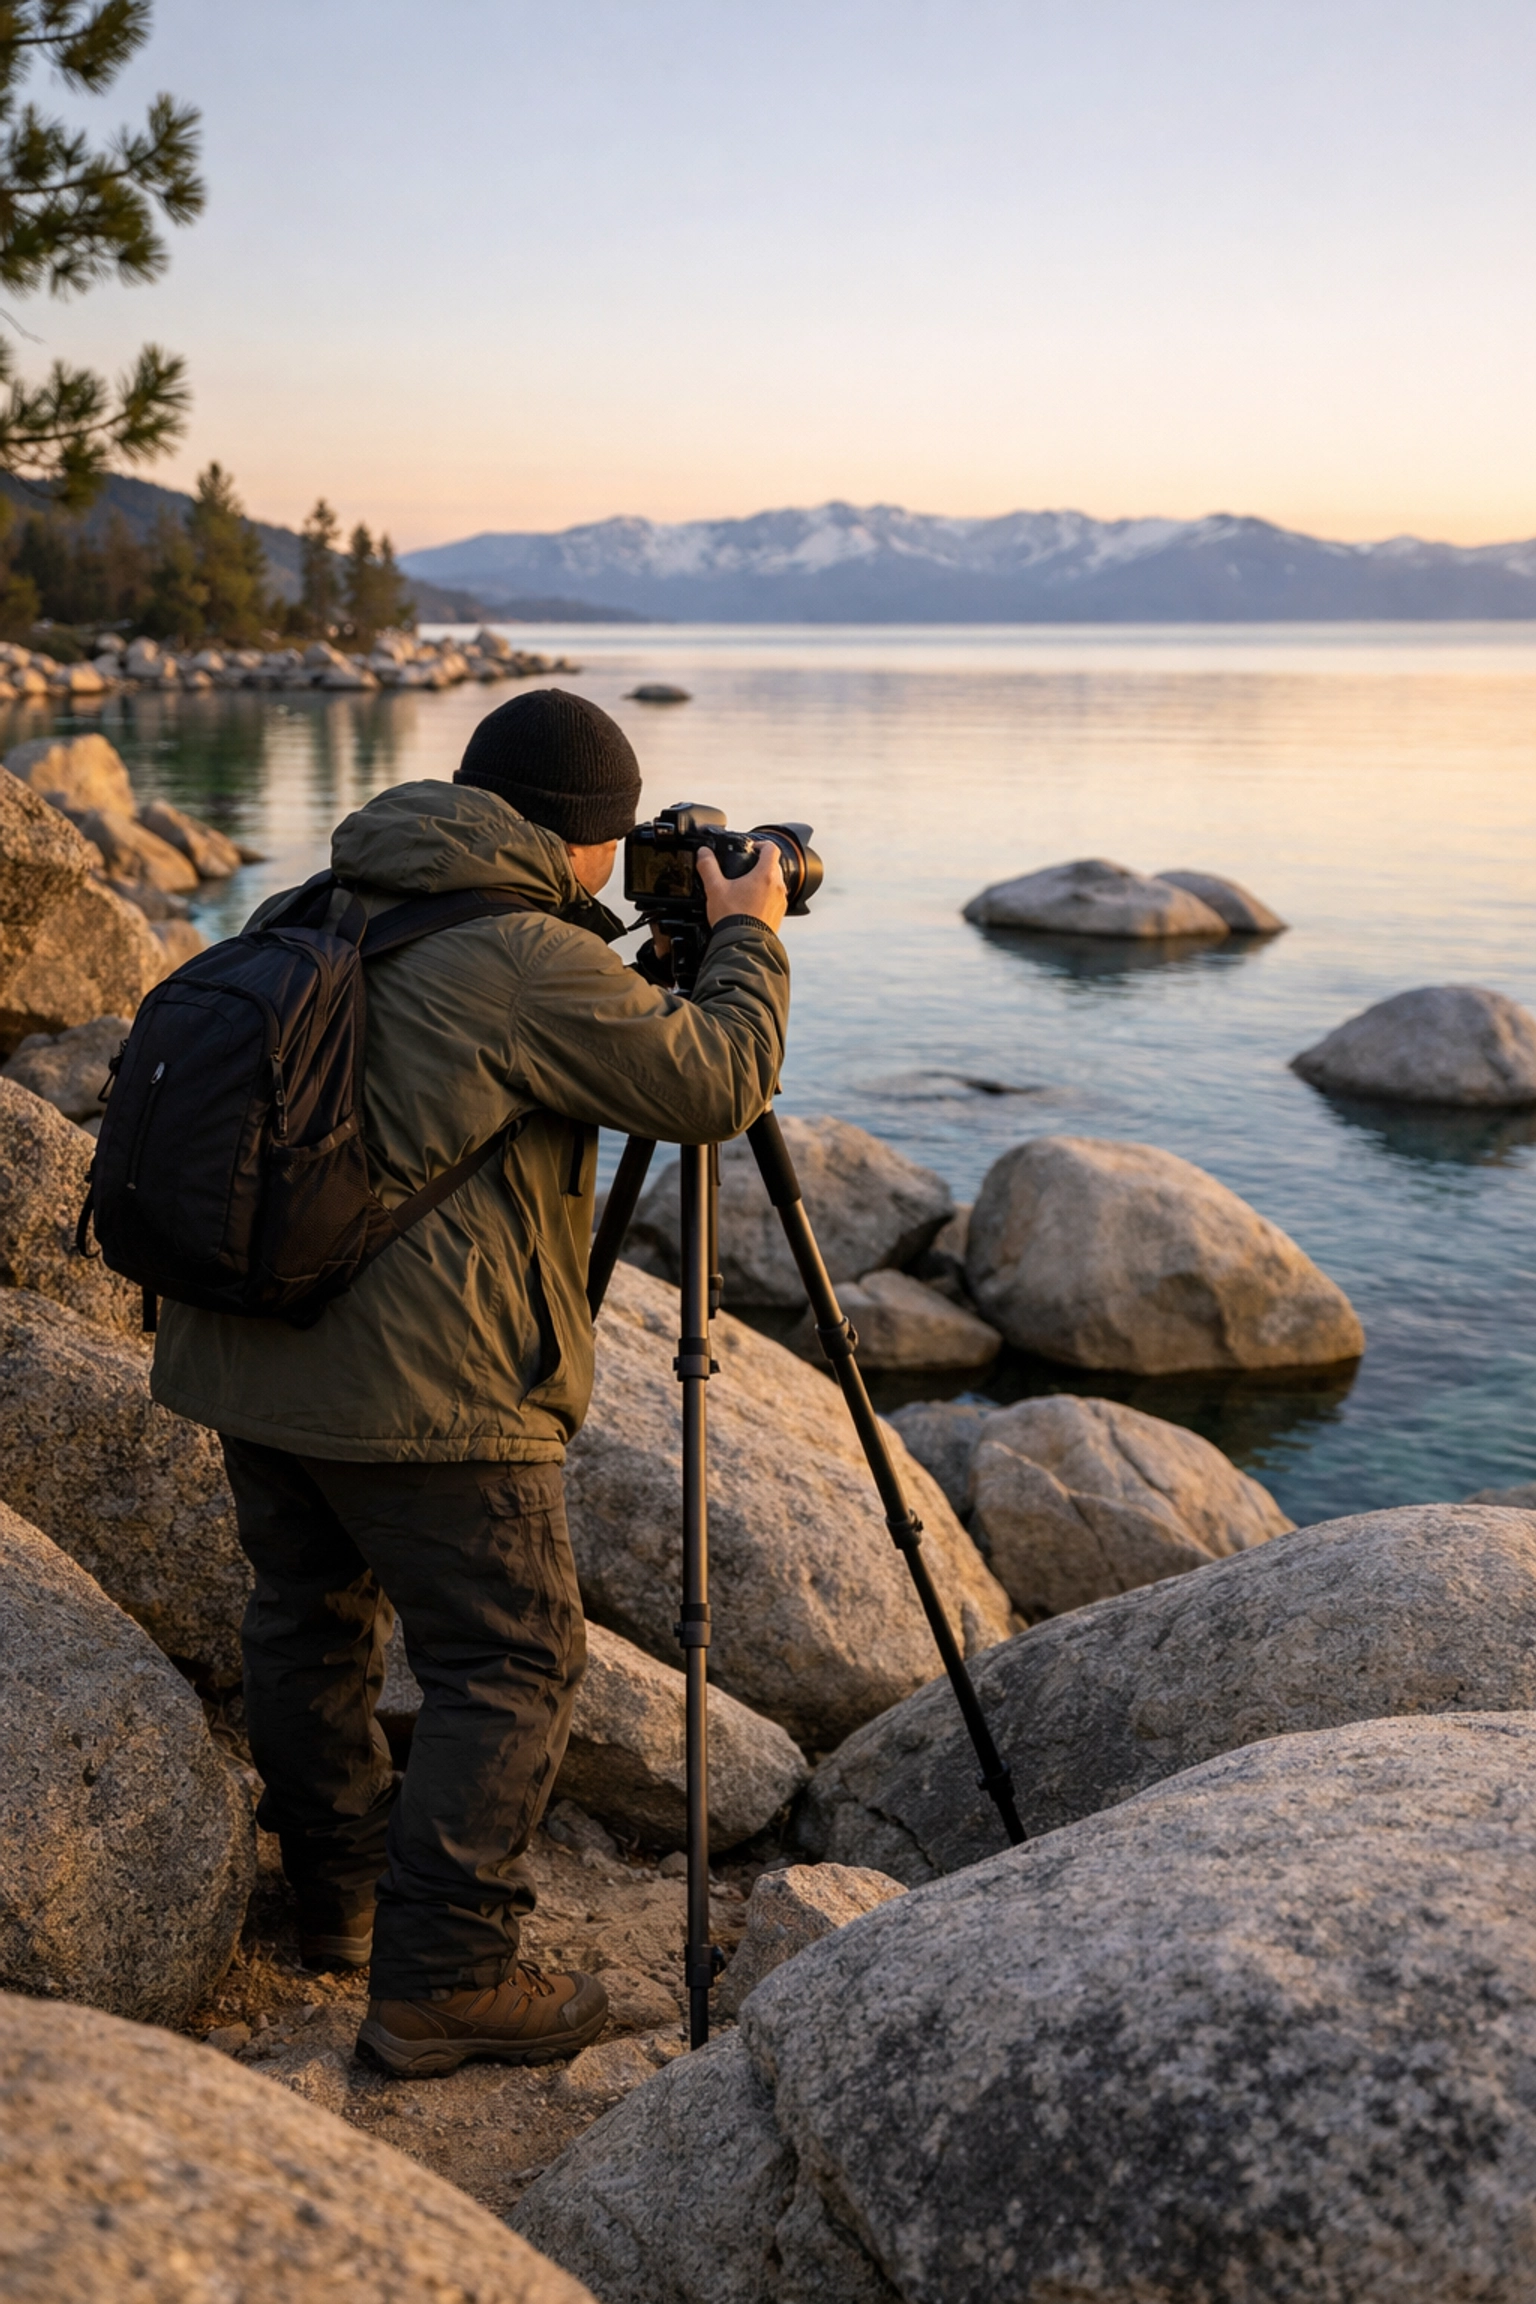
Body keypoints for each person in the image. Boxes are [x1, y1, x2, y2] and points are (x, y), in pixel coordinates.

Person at [149, 688, 790, 2078]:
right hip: (419, 1396)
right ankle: (446, 1982)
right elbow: (718, 1081)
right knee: (510, 1662)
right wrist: (745, 940)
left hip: (248, 1349)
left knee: (308, 1616)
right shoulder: (523, 957)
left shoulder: (320, 897)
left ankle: (342, 1907)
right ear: (587, 840)